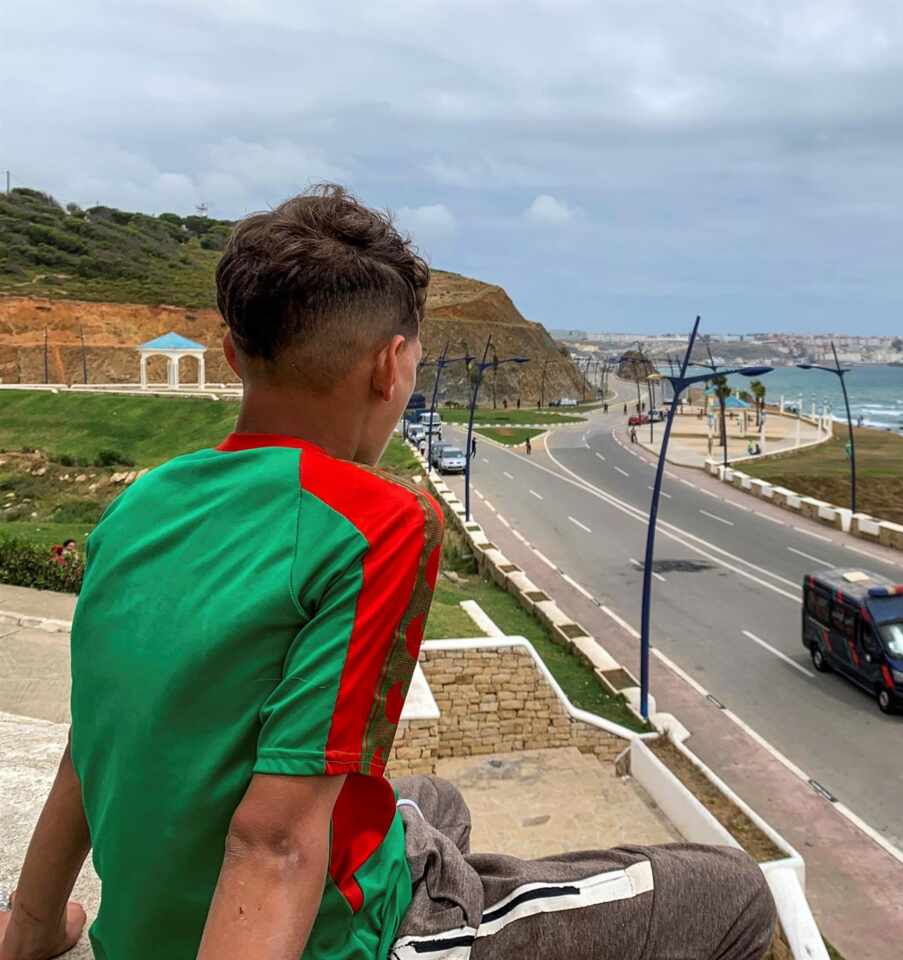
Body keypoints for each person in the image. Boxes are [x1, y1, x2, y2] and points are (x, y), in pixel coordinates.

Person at [0, 185, 774, 960]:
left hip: (147, 929)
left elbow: (89, 744)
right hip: (339, 937)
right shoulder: (376, 524)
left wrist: (32, 928)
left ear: (234, 354)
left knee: (434, 801)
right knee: (734, 892)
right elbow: (273, 843)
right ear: (389, 368)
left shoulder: (138, 508)